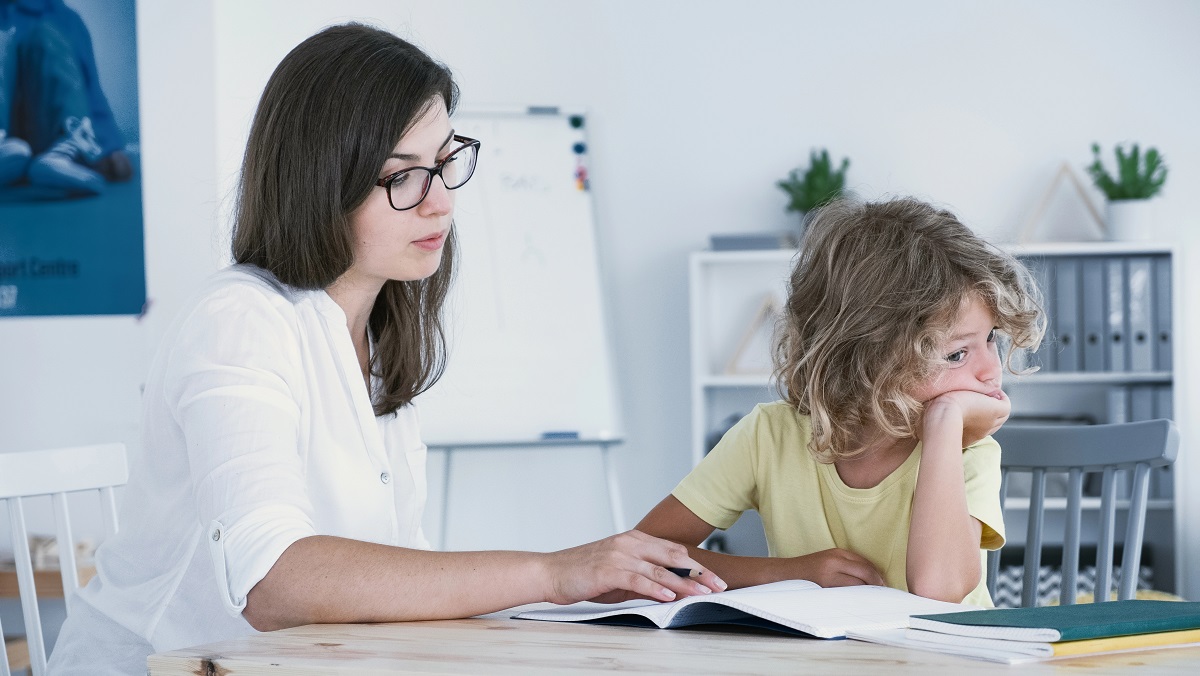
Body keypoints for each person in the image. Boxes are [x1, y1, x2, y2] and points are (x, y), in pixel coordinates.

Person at [48, 23, 723, 674]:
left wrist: (563, 594)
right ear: (322, 182)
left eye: (445, 162)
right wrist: (551, 573)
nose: (441, 204)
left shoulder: (380, 332)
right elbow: (273, 580)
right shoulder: (239, 322)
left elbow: (393, 579)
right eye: (404, 175)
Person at [636, 197, 1045, 607]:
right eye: (956, 354)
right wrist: (793, 574)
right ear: (867, 358)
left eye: (990, 338)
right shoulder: (768, 437)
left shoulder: (966, 450)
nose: (991, 370)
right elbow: (638, 561)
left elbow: (938, 590)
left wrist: (944, 421)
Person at [0, 0, 132, 194]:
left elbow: (88, 86)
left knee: (49, 36)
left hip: (47, 133)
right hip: (7, 141)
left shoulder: (63, 18)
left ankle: (64, 152)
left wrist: (109, 145)